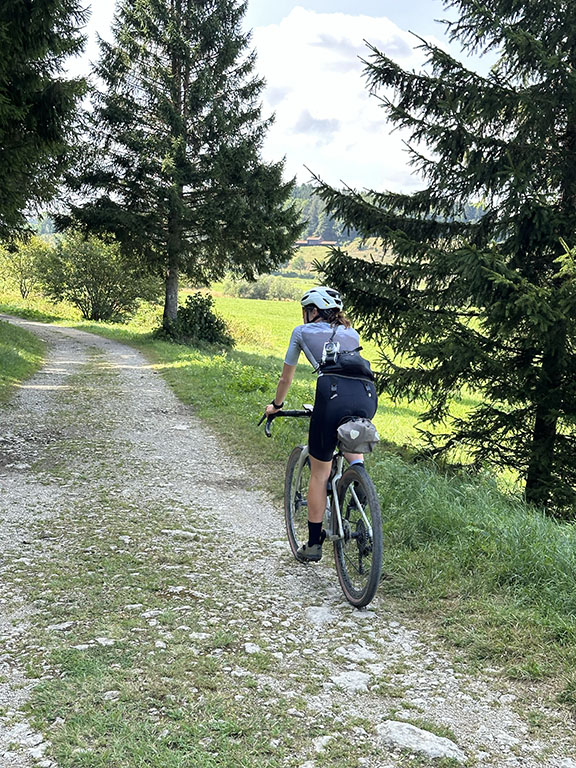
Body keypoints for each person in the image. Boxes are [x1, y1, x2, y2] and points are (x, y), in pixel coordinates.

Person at [265, 286, 377, 562]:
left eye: (306, 311)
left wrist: (276, 406)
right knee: (351, 440)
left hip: (331, 394)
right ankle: (359, 483)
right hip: (366, 395)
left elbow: (286, 379)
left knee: (319, 472)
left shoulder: (301, 333)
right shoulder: (352, 333)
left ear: (313, 311)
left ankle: (314, 544)